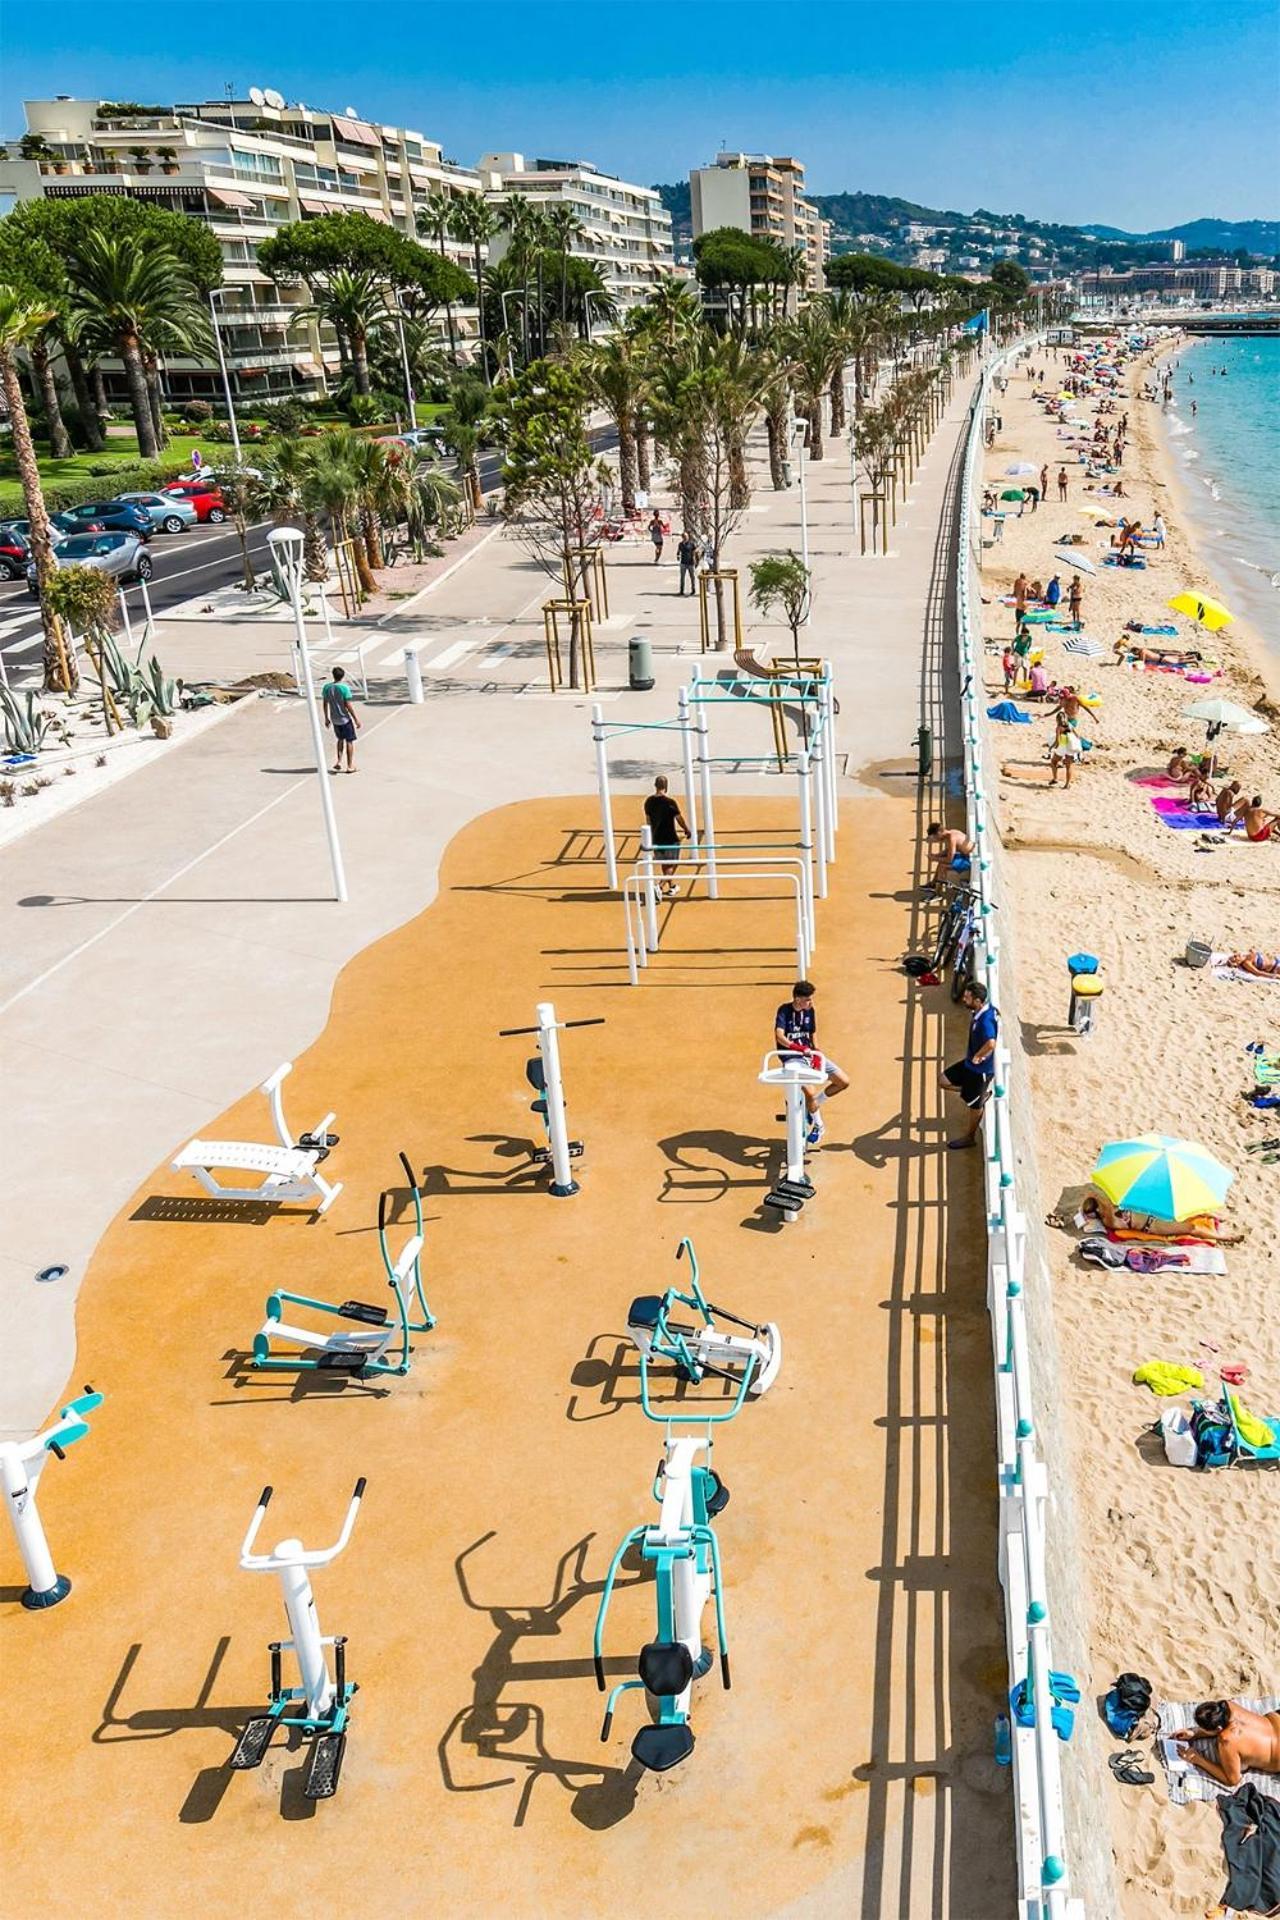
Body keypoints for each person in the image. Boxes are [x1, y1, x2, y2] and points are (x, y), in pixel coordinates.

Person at [773, 980, 849, 1147]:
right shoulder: (784, 1011)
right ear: (798, 999)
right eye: (808, 999)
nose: (811, 1002)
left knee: (843, 1081)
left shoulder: (810, 1010)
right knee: (810, 1092)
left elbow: (812, 1033)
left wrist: (817, 1052)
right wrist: (797, 1048)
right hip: (793, 1058)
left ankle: (812, 1106)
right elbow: (780, 1036)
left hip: (810, 1054)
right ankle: (819, 1126)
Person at [941, 982, 999, 1148]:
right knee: (943, 1080)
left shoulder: (985, 1021)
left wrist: (979, 1056)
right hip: (970, 1065)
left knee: (975, 1108)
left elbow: (991, 1043)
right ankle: (977, 1095)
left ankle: (970, 1137)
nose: (964, 1000)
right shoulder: (985, 1010)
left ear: (978, 1001)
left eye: (967, 998)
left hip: (980, 1071)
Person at [1169, 1701, 1280, 1787]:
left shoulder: (1227, 1740)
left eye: (1204, 1729)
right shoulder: (1227, 1705)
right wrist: (1195, 1732)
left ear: (1218, 1729)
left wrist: (1197, 1759)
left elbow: (1233, 1780)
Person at [643, 775, 689, 898]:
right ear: (666, 786)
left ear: (655, 785)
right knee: (673, 863)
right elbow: (679, 818)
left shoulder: (648, 802)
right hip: (670, 839)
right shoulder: (670, 803)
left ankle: (672, 886)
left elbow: (648, 821)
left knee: (665, 864)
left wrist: (651, 837)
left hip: (656, 838)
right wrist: (686, 829)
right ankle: (659, 886)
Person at [322, 666, 361, 773]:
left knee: (340, 739)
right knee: (349, 741)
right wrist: (356, 719)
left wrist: (326, 718)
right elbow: (347, 705)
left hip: (334, 719)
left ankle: (339, 761)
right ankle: (350, 766)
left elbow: (325, 703)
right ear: (342, 676)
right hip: (344, 718)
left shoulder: (326, 687)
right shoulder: (344, 688)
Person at [925, 821, 973, 892]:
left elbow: (949, 860)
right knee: (941, 862)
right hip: (966, 856)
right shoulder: (952, 832)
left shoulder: (951, 838)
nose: (936, 840)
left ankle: (937, 892)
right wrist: (937, 855)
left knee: (942, 866)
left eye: (935, 837)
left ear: (939, 833)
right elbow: (948, 850)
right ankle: (933, 884)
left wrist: (934, 859)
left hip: (969, 861)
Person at [1049, 709, 1082, 787]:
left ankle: (1055, 778)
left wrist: (1052, 747)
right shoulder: (1070, 725)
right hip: (1070, 747)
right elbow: (1077, 736)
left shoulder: (1058, 728)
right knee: (1069, 766)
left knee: (1054, 762)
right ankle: (1067, 784)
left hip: (1062, 747)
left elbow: (1057, 741)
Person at [675, 530, 699, 597]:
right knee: (682, 577)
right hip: (683, 563)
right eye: (684, 536)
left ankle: (693, 590)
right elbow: (678, 551)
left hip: (691, 562)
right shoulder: (681, 544)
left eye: (686, 536)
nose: (685, 537)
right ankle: (681, 590)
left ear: (688, 537)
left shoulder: (691, 544)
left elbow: (696, 552)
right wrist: (678, 556)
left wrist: (696, 561)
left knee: (692, 577)